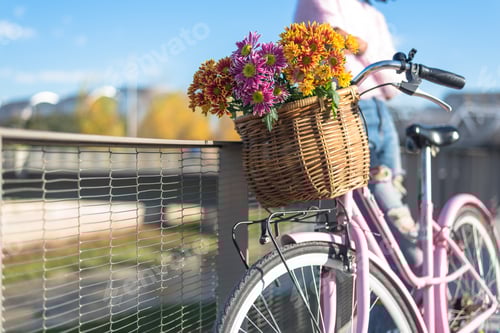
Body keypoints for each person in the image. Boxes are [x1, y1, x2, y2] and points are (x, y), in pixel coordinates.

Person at [294, 0, 423, 270]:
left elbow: (393, 86)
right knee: (373, 218)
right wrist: (367, 52)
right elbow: (328, 44)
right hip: (344, 110)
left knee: (392, 208)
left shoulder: (373, 15)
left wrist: (359, 46)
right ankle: (416, 277)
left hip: (380, 115)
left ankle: (418, 290)